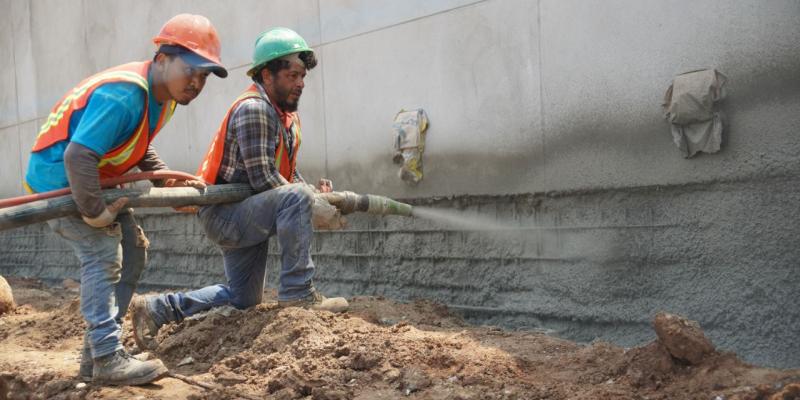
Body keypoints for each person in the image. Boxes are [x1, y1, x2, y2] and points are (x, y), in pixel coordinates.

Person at [24, 14, 227, 385]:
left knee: (133, 249)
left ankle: (97, 355)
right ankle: (105, 356)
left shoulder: (163, 96)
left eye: (204, 76)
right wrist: (97, 214)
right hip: (61, 180)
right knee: (103, 252)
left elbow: (136, 145)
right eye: (191, 70)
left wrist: (167, 179)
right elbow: (77, 156)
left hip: (93, 177)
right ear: (162, 59)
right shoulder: (126, 94)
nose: (197, 83)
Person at [131, 27, 348, 352]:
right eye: (292, 75)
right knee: (297, 197)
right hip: (226, 214)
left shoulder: (284, 115)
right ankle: (299, 292)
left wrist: (313, 194)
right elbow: (264, 179)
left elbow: (283, 172)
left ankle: (158, 308)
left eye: (302, 75)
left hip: (242, 211)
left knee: (243, 298)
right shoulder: (255, 109)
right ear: (267, 74)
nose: (300, 82)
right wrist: (309, 201)